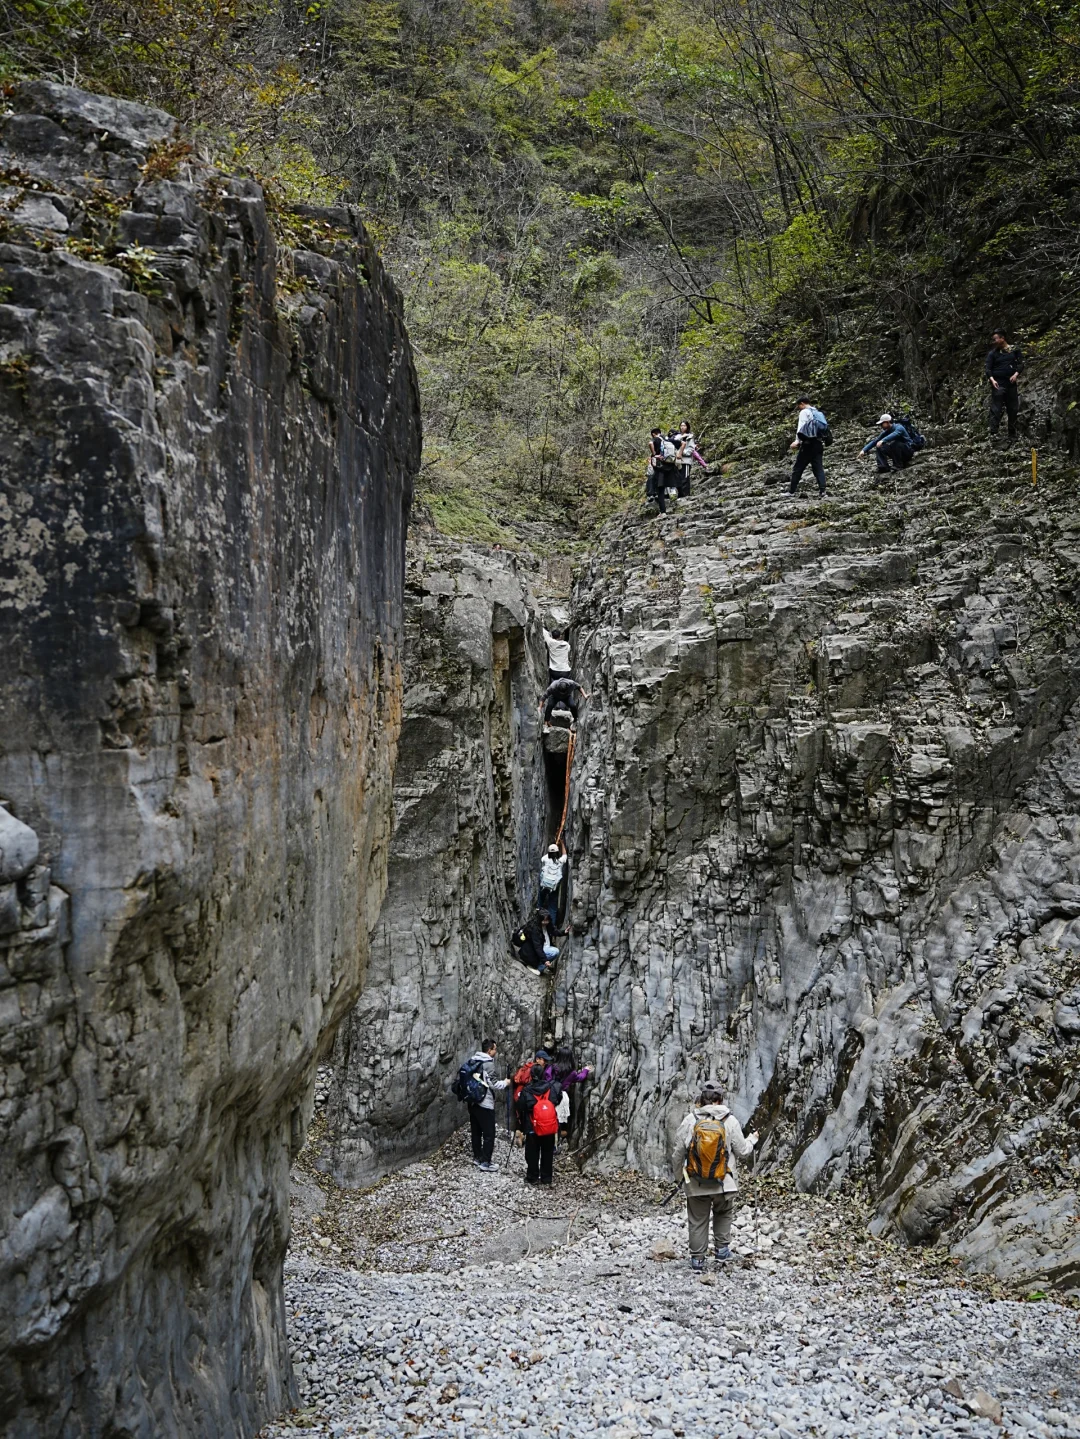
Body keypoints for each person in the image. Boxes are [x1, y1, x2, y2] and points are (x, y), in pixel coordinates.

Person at [672, 1081, 758, 1271]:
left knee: (697, 1219)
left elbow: (678, 1153)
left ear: (701, 1099)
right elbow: (742, 1151)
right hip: (724, 1182)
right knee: (723, 1213)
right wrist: (752, 1140)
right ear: (720, 1099)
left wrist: (680, 1177)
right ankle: (722, 1251)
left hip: (696, 1182)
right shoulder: (730, 1121)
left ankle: (697, 1260)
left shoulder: (690, 1120)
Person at [465, 1040, 511, 1171]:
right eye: (495, 1049)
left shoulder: (473, 1060)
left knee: (476, 1131)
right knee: (489, 1133)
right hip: (485, 1103)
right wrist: (506, 1083)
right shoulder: (488, 1064)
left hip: (472, 1102)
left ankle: (477, 1157)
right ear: (489, 1050)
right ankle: (486, 1162)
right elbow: (493, 1083)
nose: (496, 1052)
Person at [516, 1062, 564, 1185]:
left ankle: (532, 1177)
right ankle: (546, 1177)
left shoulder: (526, 1091)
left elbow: (521, 1106)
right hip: (548, 1125)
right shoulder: (551, 1088)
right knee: (547, 1152)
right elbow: (557, 1100)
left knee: (532, 1152)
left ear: (531, 1075)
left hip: (532, 1126)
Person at [985, 328, 1023, 440]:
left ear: (1002, 338)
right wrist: (992, 380)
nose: (994, 341)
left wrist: (1016, 374)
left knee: (1013, 408)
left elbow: (1021, 364)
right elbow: (988, 369)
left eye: (995, 339)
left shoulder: (1014, 350)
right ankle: (993, 433)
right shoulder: (992, 354)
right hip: (998, 383)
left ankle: (1012, 434)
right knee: (996, 408)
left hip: (1011, 383)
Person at [788, 397, 828, 498]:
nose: (799, 408)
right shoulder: (818, 413)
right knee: (818, 468)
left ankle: (791, 492)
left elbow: (801, 427)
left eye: (798, 406)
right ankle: (823, 492)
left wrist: (797, 441)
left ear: (802, 403)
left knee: (798, 468)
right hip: (819, 444)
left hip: (808, 444)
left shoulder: (804, 412)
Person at [645, 427, 675, 515]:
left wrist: (655, 454)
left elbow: (650, 443)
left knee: (660, 489)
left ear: (653, 434)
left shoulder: (656, 439)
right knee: (671, 485)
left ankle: (663, 512)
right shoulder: (667, 439)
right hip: (670, 465)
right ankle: (675, 502)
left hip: (660, 467)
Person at [538, 840, 567, 926]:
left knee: (540, 904)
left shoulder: (545, 859)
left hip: (543, 886)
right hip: (553, 888)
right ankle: (552, 928)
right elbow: (565, 855)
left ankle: (538, 920)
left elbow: (544, 858)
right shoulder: (560, 862)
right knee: (552, 909)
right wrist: (562, 844)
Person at [675, 419, 707, 497]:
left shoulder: (690, 437)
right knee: (678, 478)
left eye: (684, 425)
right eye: (681, 425)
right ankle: (680, 495)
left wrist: (682, 452)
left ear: (687, 427)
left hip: (686, 461)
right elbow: (674, 444)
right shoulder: (677, 436)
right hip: (677, 461)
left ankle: (685, 495)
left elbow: (691, 449)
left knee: (685, 478)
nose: (682, 427)